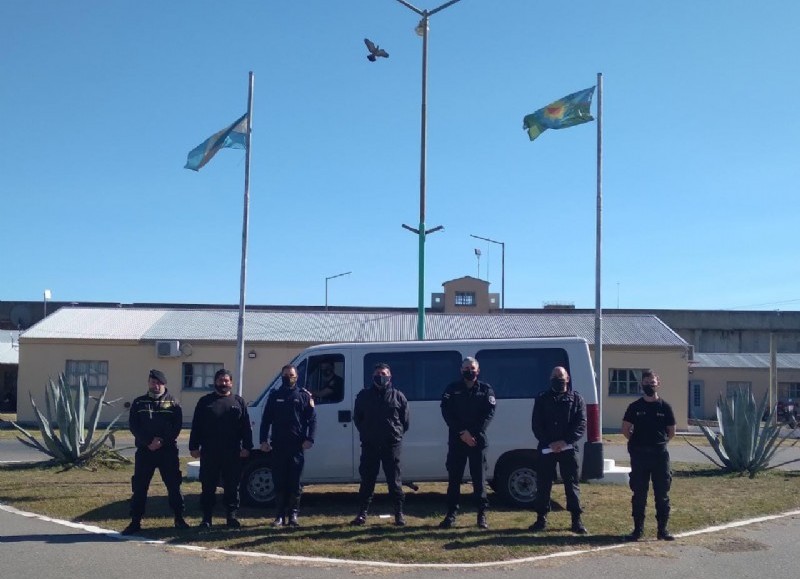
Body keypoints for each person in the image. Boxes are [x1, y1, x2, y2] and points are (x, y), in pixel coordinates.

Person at [121, 369, 188, 535]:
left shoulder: (173, 403)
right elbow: (134, 426)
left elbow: (176, 426)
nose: (155, 385)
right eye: (152, 382)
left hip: (167, 452)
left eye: (158, 382)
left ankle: (179, 519)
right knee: (140, 487)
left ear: (164, 384)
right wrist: (148, 442)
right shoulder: (139, 403)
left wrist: (162, 441)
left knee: (173, 485)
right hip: (145, 452)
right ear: (148, 383)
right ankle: (135, 521)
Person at [189, 368, 252, 530]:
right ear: (215, 382)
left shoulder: (239, 402)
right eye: (220, 380)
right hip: (210, 452)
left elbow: (246, 427)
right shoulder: (205, 401)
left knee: (232, 486)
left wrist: (247, 447)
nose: (223, 384)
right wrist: (193, 446)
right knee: (208, 486)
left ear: (231, 383)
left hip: (232, 452)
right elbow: (196, 426)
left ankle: (231, 517)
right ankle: (206, 518)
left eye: (226, 381)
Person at [439, 357, 496, 529]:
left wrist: (473, 433)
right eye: (466, 368)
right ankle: (451, 515)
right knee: (454, 479)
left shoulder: (486, 389)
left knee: (479, 479)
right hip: (457, 440)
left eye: (472, 368)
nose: (469, 371)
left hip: (478, 441)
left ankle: (481, 515)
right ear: (461, 370)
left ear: (478, 370)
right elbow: (447, 412)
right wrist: (462, 433)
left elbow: (489, 414)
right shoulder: (452, 389)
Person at [530, 366, 588, 535]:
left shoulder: (577, 399)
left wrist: (564, 441)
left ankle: (576, 520)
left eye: (561, 376)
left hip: (568, 448)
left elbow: (581, 424)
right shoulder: (542, 398)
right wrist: (550, 443)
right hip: (546, 448)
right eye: (555, 376)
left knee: (572, 484)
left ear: (567, 378)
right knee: (543, 484)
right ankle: (541, 519)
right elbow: (536, 424)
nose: (558, 378)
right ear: (550, 379)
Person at [351, 363, 410, 527]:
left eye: (383, 373)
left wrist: (394, 435)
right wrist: (367, 433)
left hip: (391, 446)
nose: (380, 376)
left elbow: (405, 422)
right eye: (377, 373)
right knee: (367, 481)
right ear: (373, 376)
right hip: (370, 445)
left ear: (390, 376)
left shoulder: (398, 396)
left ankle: (399, 514)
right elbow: (358, 419)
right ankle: (362, 514)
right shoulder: (363, 396)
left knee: (394, 481)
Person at [621, 369, 677, 541]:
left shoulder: (665, 407)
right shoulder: (634, 407)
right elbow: (625, 429)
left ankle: (662, 530)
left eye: (652, 383)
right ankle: (637, 530)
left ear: (658, 384)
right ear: (641, 385)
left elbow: (671, 432)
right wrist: (638, 443)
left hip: (659, 456)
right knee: (639, 493)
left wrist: (658, 444)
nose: (649, 386)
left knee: (662, 493)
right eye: (646, 383)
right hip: (639, 456)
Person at [260, 364, 316, 527]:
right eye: (285, 375)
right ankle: (279, 516)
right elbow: (266, 420)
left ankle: (293, 516)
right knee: (279, 482)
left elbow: (312, 420)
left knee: (295, 483)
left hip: (296, 446)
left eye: (291, 375)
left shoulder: (304, 396)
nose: (288, 378)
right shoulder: (274, 395)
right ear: (281, 376)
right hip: (278, 446)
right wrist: (263, 440)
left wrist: (310, 439)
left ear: (296, 377)